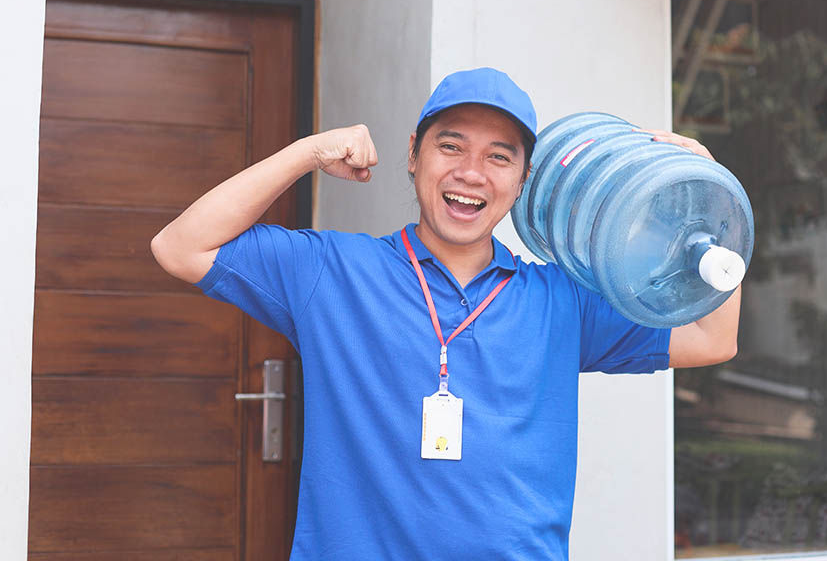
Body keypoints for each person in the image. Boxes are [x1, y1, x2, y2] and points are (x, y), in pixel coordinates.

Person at [151, 67, 740, 560]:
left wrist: (711, 197)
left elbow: (712, 337)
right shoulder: (332, 273)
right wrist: (307, 152)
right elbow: (180, 247)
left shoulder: (564, 299)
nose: (470, 173)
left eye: (498, 157)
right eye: (450, 145)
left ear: (523, 181)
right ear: (413, 154)